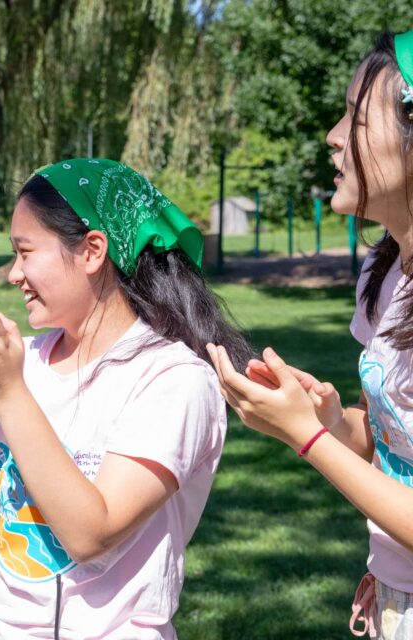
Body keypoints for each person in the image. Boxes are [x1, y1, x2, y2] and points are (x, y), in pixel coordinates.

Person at [0, 158, 253, 639]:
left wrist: (9, 394)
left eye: (25, 252)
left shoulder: (173, 379)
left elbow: (91, 533)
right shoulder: (24, 361)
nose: (14, 274)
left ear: (93, 250)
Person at [207, 29, 413, 640]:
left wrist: (303, 437)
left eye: (355, 117)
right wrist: (328, 418)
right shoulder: (386, 274)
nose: (332, 136)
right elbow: (389, 446)